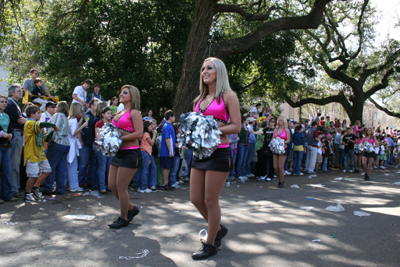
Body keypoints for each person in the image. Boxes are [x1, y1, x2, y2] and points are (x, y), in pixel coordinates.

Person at [191, 57, 241, 260]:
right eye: (203, 68)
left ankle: (210, 243)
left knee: (211, 200)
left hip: (219, 152)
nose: (204, 71)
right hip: (199, 153)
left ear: (219, 71)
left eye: (209, 68)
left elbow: (236, 127)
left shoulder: (229, 96)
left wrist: (212, 128)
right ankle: (218, 229)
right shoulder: (198, 100)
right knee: (195, 199)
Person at [108, 85, 143, 229]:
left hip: (130, 153)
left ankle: (123, 217)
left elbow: (139, 134)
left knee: (121, 187)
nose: (121, 94)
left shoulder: (134, 113)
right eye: (121, 91)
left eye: (125, 93)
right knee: (112, 185)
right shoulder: (119, 112)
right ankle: (131, 208)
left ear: (132, 96)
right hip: (118, 152)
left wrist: (121, 138)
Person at [23, 106, 59, 202]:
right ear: (32, 114)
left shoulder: (38, 125)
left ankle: (35, 188)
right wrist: (53, 125)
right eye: (38, 113)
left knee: (47, 170)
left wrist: (52, 131)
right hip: (31, 153)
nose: (40, 115)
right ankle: (28, 193)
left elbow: (45, 139)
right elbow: (41, 124)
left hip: (39, 153)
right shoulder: (29, 123)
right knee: (33, 175)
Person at [42, 101, 71, 195]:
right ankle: (61, 188)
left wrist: (49, 138)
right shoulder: (66, 118)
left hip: (57, 142)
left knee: (50, 166)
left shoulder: (58, 115)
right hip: (65, 144)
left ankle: (47, 188)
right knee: (61, 167)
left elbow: (54, 127)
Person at [4, 84, 26, 196]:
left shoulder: (15, 104)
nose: (20, 93)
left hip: (16, 134)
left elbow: (23, 119)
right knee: (14, 163)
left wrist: (24, 119)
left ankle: (14, 187)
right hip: (15, 134)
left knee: (15, 163)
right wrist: (24, 120)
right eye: (18, 91)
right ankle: (13, 188)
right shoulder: (11, 104)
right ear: (11, 93)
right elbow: (20, 120)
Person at [0, 95, 18, 203]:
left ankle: (6, 194)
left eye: (5, 102)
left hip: (6, 145)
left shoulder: (6, 115)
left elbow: (10, 127)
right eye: (1, 101)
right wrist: (3, 134)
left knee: (6, 171)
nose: (4, 103)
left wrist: (10, 134)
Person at [78, 98, 98, 189]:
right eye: (96, 104)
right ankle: (81, 182)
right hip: (85, 144)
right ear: (91, 105)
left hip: (94, 144)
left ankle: (90, 181)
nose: (97, 106)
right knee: (83, 164)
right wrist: (80, 141)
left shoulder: (97, 117)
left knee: (93, 165)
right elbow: (78, 128)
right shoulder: (85, 115)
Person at [67, 103, 88, 193]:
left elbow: (75, 127)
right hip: (71, 145)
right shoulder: (72, 120)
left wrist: (82, 120)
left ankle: (74, 185)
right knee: (73, 166)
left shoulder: (72, 119)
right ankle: (74, 186)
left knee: (73, 166)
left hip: (72, 144)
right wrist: (83, 126)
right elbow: (73, 132)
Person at [94, 106, 113, 194]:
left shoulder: (111, 123)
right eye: (108, 113)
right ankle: (102, 187)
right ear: (103, 114)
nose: (110, 115)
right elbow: (98, 137)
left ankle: (109, 185)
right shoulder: (99, 123)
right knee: (102, 167)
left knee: (110, 167)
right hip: (101, 147)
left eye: (110, 113)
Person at [138, 120, 157, 193]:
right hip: (145, 152)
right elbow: (151, 143)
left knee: (145, 170)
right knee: (145, 170)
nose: (151, 127)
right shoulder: (146, 134)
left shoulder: (144, 133)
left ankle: (143, 186)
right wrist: (154, 135)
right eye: (150, 126)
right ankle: (143, 187)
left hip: (146, 153)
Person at [272, 116, 291, 188]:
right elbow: (273, 138)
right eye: (279, 120)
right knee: (275, 166)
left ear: (284, 121)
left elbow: (288, 140)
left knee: (280, 166)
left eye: (281, 120)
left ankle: (281, 181)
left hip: (283, 148)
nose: (280, 121)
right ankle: (280, 178)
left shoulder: (286, 130)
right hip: (276, 148)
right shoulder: (275, 129)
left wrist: (282, 142)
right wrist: (275, 142)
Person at [160, 110, 176, 191]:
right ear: (170, 117)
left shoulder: (169, 126)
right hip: (166, 151)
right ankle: (165, 183)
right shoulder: (167, 126)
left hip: (169, 150)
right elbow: (167, 138)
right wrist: (170, 150)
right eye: (173, 116)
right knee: (166, 168)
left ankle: (167, 183)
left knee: (169, 167)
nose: (174, 118)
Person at [236, 117, 249, 181]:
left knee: (244, 160)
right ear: (244, 121)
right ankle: (239, 174)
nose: (248, 121)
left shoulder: (247, 127)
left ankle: (243, 173)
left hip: (246, 144)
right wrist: (245, 131)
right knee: (240, 160)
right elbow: (240, 136)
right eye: (247, 120)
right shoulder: (241, 127)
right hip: (241, 144)